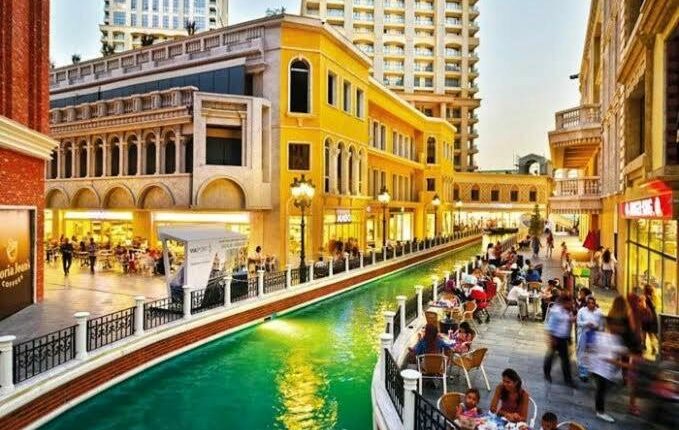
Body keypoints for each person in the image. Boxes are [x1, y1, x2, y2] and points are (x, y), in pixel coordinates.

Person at [589, 319, 628, 423]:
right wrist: (626, 365)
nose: (621, 328)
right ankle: (600, 412)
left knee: (605, 388)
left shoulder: (616, 337)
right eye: (618, 326)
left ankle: (600, 407)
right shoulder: (602, 338)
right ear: (611, 326)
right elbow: (608, 358)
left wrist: (626, 352)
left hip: (609, 371)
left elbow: (619, 350)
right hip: (600, 369)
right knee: (601, 390)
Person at [544, 296, 576, 387]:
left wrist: (569, 338)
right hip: (556, 338)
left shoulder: (567, 311)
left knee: (565, 360)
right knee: (550, 357)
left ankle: (568, 379)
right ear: (565, 303)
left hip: (563, 338)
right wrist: (551, 338)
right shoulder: (556, 311)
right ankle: (547, 373)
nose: (572, 305)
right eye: (570, 303)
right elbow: (550, 326)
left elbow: (568, 322)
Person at [576, 295, 604, 381]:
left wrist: (597, 327)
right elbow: (578, 322)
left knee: (593, 354)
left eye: (592, 303)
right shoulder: (582, 311)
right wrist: (586, 323)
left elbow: (602, 325)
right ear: (586, 303)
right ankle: (583, 373)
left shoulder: (599, 312)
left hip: (595, 335)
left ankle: (593, 371)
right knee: (583, 353)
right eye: (589, 303)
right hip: (584, 334)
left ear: (595, 303)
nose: (591, 305)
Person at [642, 284, 659, 355]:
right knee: (651, 333)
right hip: (653, 316)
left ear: (645, 290)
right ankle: (653, 347)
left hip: (646, 317)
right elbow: (655, 306)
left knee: (644, 331)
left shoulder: (644, 297)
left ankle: (644, 346)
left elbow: (643, 307)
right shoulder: (654, 297)